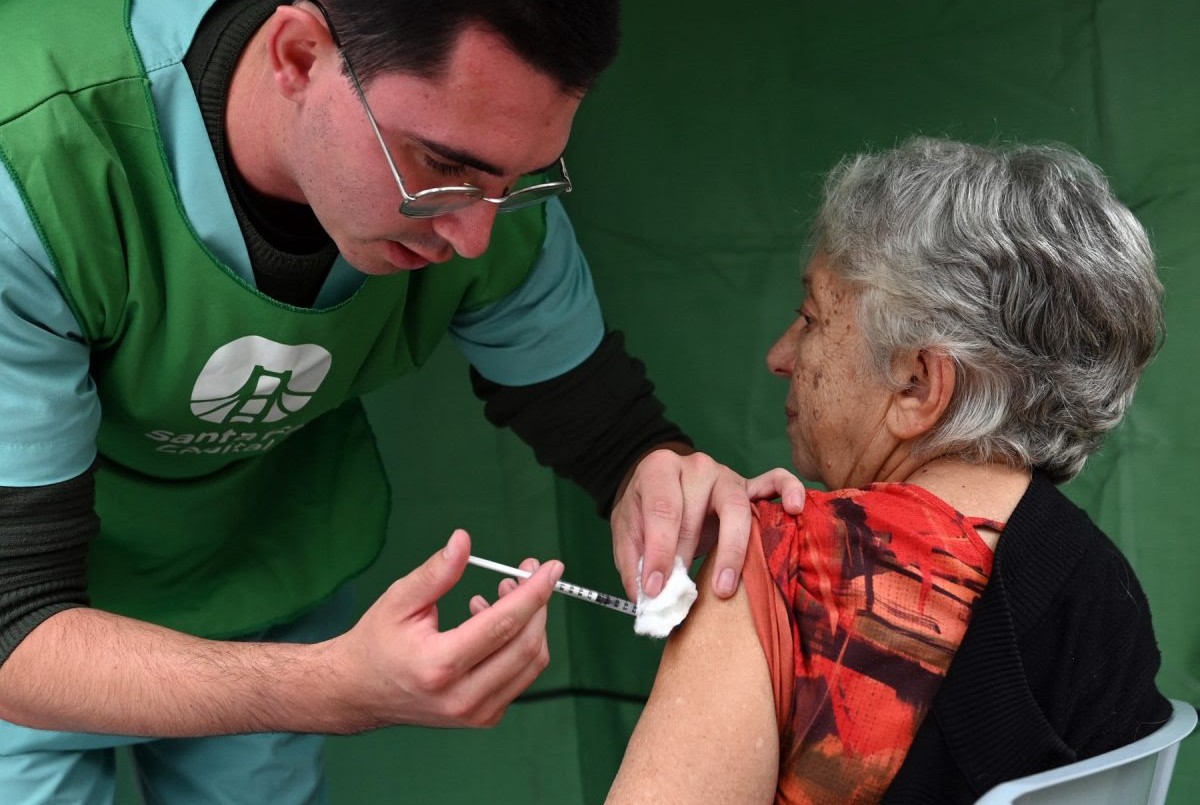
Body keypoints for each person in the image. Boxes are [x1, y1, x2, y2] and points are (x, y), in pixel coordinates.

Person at [0, 0, 802, 801]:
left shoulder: (486, 181)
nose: (474, 238)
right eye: (441, 168)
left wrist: (655, 471)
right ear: (300, 54)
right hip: (42, 641)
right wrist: (333, 687)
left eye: (519, 181)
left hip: (265, 577)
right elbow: (15, 628)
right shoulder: (35, 170)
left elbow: (604, 424)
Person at [605, 137, 1172, 804]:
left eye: (811, 317)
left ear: (917, 383)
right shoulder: (1107, 593)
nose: (780, 354)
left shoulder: (789, 568)